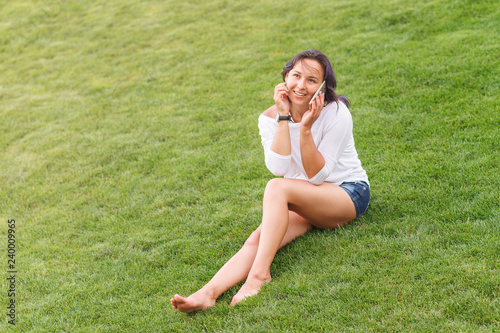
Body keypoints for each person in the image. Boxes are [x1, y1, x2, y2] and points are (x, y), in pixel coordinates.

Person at [171, 49, 370, 313]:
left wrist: (307, 128)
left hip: (347, 193)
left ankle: (259, 276)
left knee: (277, 189)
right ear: (285, 77)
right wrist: (284, 118)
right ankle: (207, 293)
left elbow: (318, 176)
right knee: (259, 237)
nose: (301, 85)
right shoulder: (268, 118)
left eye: (311, 80)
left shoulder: (336, 113)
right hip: (306, 197)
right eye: (296, 75)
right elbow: (278, 167)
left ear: (322, 87)